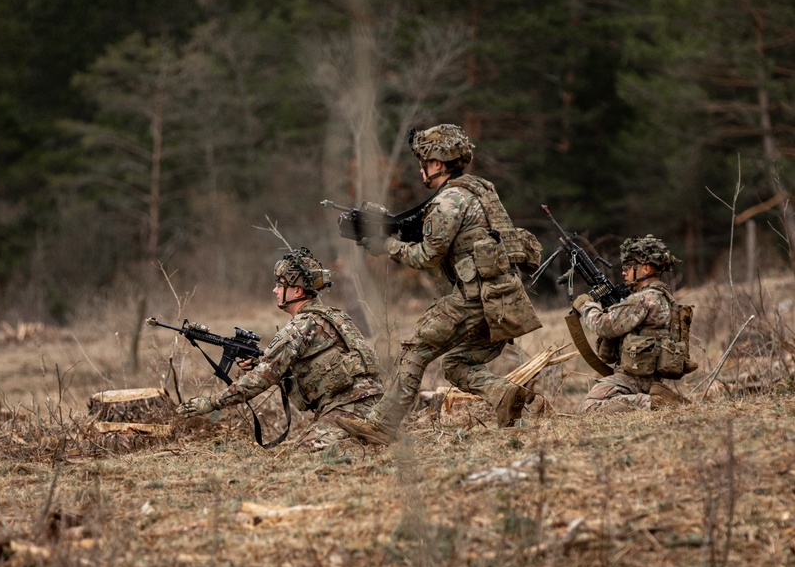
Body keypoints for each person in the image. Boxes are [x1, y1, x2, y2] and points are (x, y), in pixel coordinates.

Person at [336, 124, 543, 445]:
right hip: (506, 300)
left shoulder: (449, 201)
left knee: (415, 350)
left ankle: (382, 425)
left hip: (475, 299)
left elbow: (427, 256)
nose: (421, 168)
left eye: (424, 162)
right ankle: (504, 394)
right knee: (457, 364)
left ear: (437, 163)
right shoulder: (479, 190)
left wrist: (386, 245)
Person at [176, 247, 385, 451]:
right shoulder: (334, 316)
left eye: (281, 284)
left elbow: (259, 380)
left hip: (350, 408)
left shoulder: (298, 327)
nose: (275, 290)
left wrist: (210, 402)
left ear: (297, 290)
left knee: (308, 450)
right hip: (375, 405)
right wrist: (262, 363)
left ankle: (364, 441)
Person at [573, 235, 693, 413]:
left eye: (628, 268)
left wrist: (586, 306)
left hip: (634, 378)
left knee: (589, 407)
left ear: (645, 269)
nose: (624, 272)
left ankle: (652, 403)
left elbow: (602, 325)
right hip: (652, 379)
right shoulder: (666, 298)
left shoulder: (643, 299)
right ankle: (655, 399)